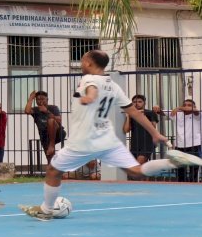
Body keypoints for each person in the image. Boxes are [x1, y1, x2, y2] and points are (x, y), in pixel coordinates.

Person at [20, 50, 202, 220]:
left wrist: (90, 97)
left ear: (89, 63)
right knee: (136, 171)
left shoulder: (88, 79)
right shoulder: (113, 85)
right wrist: (155, 132)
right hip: (107, 140)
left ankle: (46, 210)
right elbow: (134, 112)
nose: (81, 64)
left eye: (82, 61)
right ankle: (173, 162)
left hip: (84, 141)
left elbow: (92, 88)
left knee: (53, 170)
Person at [164, 99, 202, 182]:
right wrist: (157, 108)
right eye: (184, 105)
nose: (186, 107)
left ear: (194, 107)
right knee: (180, 170)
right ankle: (180, 186)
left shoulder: (197, 115)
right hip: (179, 146)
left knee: (194, 170)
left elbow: (196, 111)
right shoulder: (177, 114)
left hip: (194, 145)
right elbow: (161, 112)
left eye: (189, 105)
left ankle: (193, 186)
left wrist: (179, 108)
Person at [25, 90, 65, 162]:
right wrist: (31, 98)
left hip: (57, 133)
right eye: (38, 99)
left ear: (47, 99)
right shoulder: (36, 110)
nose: (40, 101)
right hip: (44, 136)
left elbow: (59, 120)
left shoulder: (53, 108)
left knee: (51, 121)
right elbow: (27, 111)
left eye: (43, 99)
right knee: (50, 159)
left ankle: (52, 145)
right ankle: (55, 167)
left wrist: (46, 111)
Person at [122, 94, 161, 165]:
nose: (137, 104)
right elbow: (126, 130)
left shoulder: (150, 113)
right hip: (135, 144)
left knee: (139, 163)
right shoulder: (132, 114)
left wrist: (143, 116)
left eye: (140, 102)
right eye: (134, 102)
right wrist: (128, 117)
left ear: (144, 103)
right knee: (137, 167)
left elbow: (153, 128)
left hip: (147, 143)